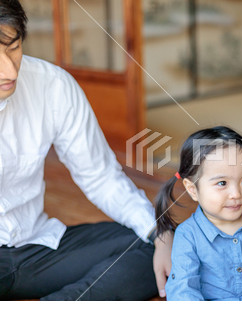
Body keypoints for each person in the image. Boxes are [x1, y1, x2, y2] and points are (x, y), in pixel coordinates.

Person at [0, 0, 172, 300]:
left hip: (36, 248)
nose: (10, 69)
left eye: (13, 47)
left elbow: (100, 175)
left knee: (151, 246)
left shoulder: (51, 85)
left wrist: (157, 233)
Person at [154, 126, 242, 300]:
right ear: (192, 189)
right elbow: (183, 290)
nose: (236, 194)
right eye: (222, 183)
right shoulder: (188, 235)